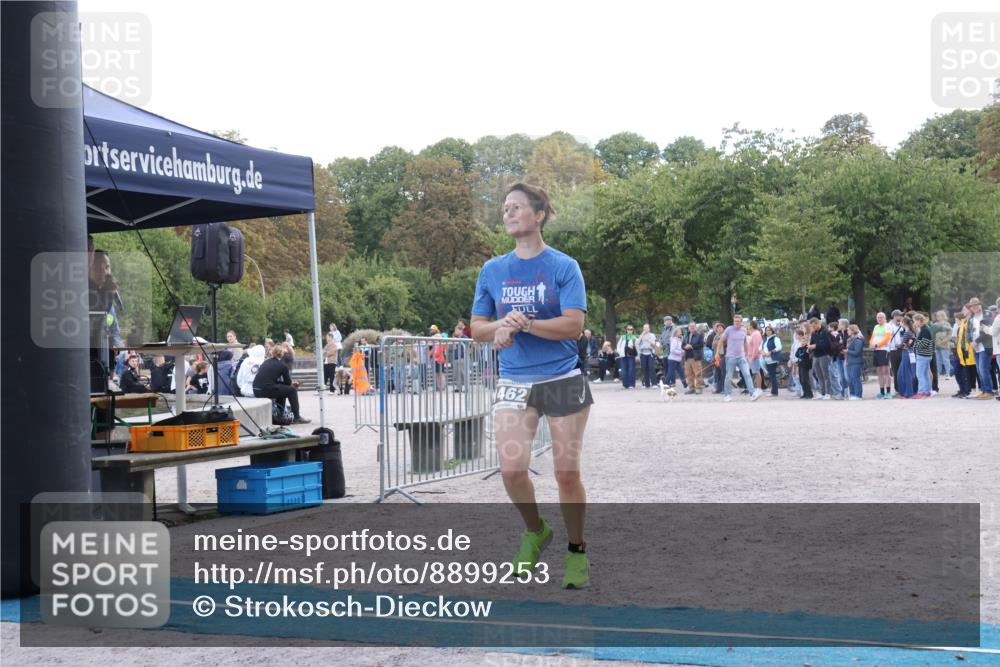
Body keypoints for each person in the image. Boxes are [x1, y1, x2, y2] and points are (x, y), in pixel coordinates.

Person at [470, 182, 593, 590]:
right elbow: (477, 329)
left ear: (539, 215)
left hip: (562, 379)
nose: (508, 213)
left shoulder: (563, 266)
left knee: (566, 473)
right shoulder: (493, 270)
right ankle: (536, 530)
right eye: (505, 208)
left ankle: (576, 550)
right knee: (510, 470)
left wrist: (526, 324)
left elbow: (574, 326)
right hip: (514, 380)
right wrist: (499, 328)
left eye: (517, 207)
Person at [253, 344, 310, 424]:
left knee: (282, 390)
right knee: (292, 391)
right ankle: (297, 417)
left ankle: (280, 416)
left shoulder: (266, 362)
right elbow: (288, 383)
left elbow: (268, 379)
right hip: (266, 390)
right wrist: (294, 384)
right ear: (282, 354)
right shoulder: (283, 365)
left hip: (256, 389)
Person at [718, 313, 762, 402]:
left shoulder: (744, 330)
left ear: (741, 322)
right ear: (733, 321)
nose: (736, 322)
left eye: (738, 321)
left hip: (741, 356)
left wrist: (746, 353)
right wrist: (717, 352)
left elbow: (745, 342)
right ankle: (727, 395)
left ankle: (752, 393)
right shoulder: (729, 329)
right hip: (730, 357)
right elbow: (721, 340)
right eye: (735, 321)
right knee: (728, 376)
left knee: (747, 374)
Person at [967, 297, 995, 399]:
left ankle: (989, 391)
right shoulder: (971, 319)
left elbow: (987, 332)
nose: (974, 307)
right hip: (976, 348)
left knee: (983, 369)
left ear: (980, 305)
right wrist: (971, 342)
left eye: (976, 305)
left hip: (985, 346)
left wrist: (976, 341)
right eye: (972, 306)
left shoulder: (987, 315)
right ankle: (984, 391)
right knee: (979, 370)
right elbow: (968, 332)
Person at [807, 318, 833, 399]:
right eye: (811, 326)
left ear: (818, 323)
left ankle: (828, 393)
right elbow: (811, 343)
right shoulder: (814, 333)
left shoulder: (825, 332)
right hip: (816, 355)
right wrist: (810, 346)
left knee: (826, 375)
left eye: (814, 326)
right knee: (819, 375)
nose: (813, 328)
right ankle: (823, 392)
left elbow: (827, 344)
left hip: (824, 355)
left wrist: (816, 346)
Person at [913, 313, 934, 398]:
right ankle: (927, 391)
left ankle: (921, 392)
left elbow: (924, 344)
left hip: (923, 355)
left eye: (915, 321)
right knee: (925, 374)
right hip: (926, 355)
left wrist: (915, 343)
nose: (914, 323)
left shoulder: (925, 330)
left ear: (919, 321)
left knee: (920, 374)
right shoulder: (925, 329)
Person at [895, 316, 916, 399]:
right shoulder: (910, 332)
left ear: (904, 323)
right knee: (905, 373)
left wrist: (897, 345)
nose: (900, 323)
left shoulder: (908, 333)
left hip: (906, 353)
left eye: (901, 322)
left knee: (906, 373)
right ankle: (907, 392)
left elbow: (903, 345)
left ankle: (909, 393)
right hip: (908, 353)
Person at [682, 322, 705, 394]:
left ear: (695, 327)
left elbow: (701, 345)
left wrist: (691, 346)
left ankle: (699, 388)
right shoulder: (686, 335)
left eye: (693, 326)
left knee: (698, 373)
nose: (692, 328)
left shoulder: (700, 335)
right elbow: (682, 345)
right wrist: (685, 347)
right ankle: (691, 388)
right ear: (688, 328)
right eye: (690, 326)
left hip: (695, 357)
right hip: (687, 358)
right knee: (689, 374)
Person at [760, 325, 782, 396]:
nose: (768, 332)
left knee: (772, 376)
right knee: (771, 375)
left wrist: (771, 352)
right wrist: (763, 352)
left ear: (772, 331)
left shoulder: (775, 338)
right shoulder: (765, 339)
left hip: (772, 359)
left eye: (769, 330)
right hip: (766, 359)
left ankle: (774, 392)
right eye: (766, 330)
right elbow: (761, 348)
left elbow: (779, 347)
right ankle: (774, 391)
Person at [845, 324, 865, 400]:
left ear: (853, 331)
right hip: (849, 362)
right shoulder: (849, 339)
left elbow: (857, 352)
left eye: (849, 330)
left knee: (855, 378)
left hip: (856, 362)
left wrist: (847, 351)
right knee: (850, 379)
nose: (847, 331)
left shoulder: (858, 339)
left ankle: (858, 395)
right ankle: (852, 394)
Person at [616, 325, 638, 389]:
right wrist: (620, 353)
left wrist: (637, 356)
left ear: (633, 330)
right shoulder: (623, 337)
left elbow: (637, 347)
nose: (629, 331)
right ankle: (625, 384)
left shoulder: (634, 337)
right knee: (624, 371)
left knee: (631, 370)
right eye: (628, 329)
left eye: (631, 329)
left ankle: (631, 384)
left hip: (631, 356)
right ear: (626, 330)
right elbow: (618, 346)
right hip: (623, 356)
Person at [795, 328, 814, 399]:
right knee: (801, 380)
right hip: (800, 365)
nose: (803, 343)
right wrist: (800, 348)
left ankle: (809, 394)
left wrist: (807, 347)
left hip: (805, 365)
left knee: (805, 379)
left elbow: (807, 354)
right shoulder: (800, 348)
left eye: (804, 342)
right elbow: (796, 355)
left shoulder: (807, 349)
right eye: (802, 342)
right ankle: (805, 393)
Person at [638, 323, 657, 388]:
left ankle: (654, 383)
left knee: (651, 368)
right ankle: (647, 384)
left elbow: (654, 344)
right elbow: (637, 343)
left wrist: (648, 340)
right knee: (644, 369)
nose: (645, 329)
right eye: (644, 328)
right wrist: (642, 335)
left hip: (650, 353)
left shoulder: (652, 335)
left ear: (649, 329)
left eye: (646, 328)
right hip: (643, 353)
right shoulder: (641, 335)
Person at [745, 319, 763, 390]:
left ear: (751, 326)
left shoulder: (755, 334)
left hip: (754, 357)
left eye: (748, 325)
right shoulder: (754, 333)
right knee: (756, 373)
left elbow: (756, 347)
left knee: (757, 373)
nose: (748, 327)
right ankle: (758, 388)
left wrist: (752, 357)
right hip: (752, 356)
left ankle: (759, 388)